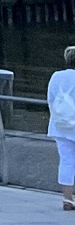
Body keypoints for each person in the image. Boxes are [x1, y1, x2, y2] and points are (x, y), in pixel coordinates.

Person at [51, 47, 75, 211]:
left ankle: (68, 199)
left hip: (60, 126)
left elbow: (50, 100)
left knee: (66, 161)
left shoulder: (56, 76)